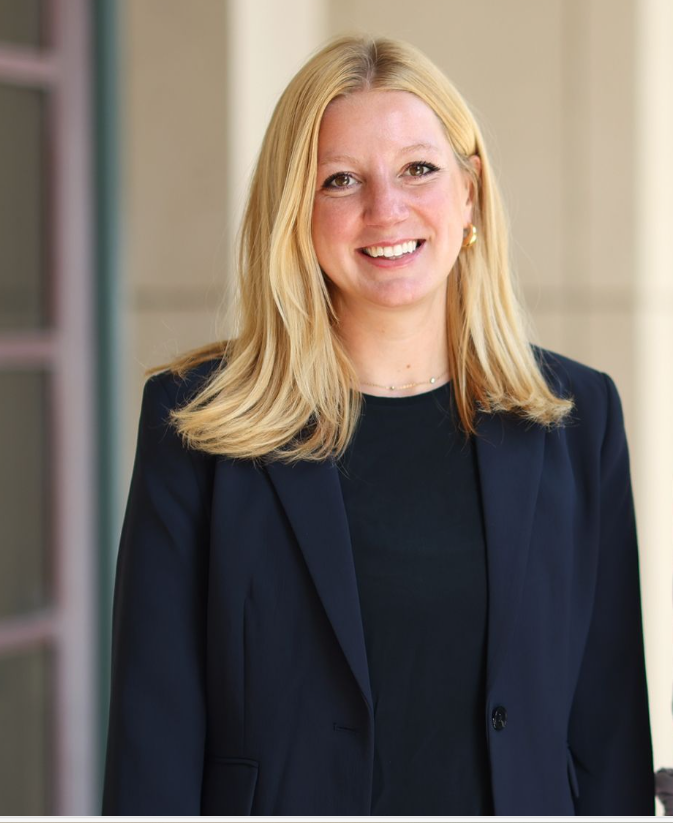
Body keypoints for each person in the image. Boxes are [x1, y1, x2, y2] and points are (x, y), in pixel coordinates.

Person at [102, 35, 654, 815]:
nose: (384, 209)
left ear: (470, 193)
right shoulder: (196, 424)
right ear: (294, 211)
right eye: (339, 179)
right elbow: (150, 746)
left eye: (418, 169)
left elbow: (609, 735)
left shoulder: (577, 418)